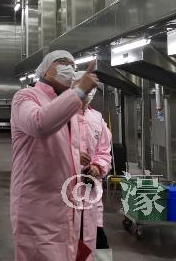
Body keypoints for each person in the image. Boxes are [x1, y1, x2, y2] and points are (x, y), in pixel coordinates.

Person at [10, 50, 98, 261]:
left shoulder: (69, 106)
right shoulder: (25, 96)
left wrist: (74, 154)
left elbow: (54, 145)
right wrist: (79, 91)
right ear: (45, 69)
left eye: (72, 65)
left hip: (65, 205)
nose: (69, 68)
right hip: (36, 207)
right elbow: (39, 123)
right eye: (61, 62)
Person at [73, 71, 112, 259]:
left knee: (98, 240)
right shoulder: (62, 117)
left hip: (91, 193)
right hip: (66, 192)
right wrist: (73, 156)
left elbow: (104, 150)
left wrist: (98, 166)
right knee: (71, 241)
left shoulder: (97, 119)